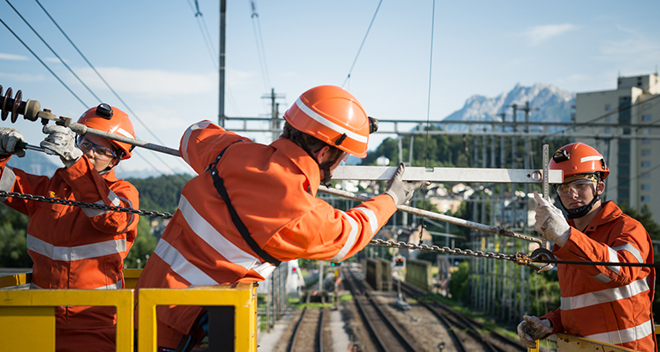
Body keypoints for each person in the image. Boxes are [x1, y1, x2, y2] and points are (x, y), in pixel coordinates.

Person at [134, 85, 425, 351]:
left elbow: (193, 134)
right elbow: (351, 234)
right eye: (342, 157)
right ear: (324, 153)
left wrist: (241, 145)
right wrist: (392, 199)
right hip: (179, 330)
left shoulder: (230, 152)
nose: (341, 164)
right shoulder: (300, 213)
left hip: (141, 310)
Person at [0, 103, 140, 352]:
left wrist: (77, 165)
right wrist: (1, 154)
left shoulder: (124, 193)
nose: (89, 154)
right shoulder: (49, 189)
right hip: (39, 319)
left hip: (95, 325)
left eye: (100, 150)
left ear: (116, 158)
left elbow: (110, 218)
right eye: (85, 144)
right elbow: (6, 184)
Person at [518, 142, 656, 351]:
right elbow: (581, 306)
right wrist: (550, 323)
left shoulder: (627, 229)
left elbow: (621, 271)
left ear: (599, 186)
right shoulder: (570, 240)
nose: (572, 194)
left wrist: (566, 236)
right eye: (564, 187)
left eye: (581, 184)